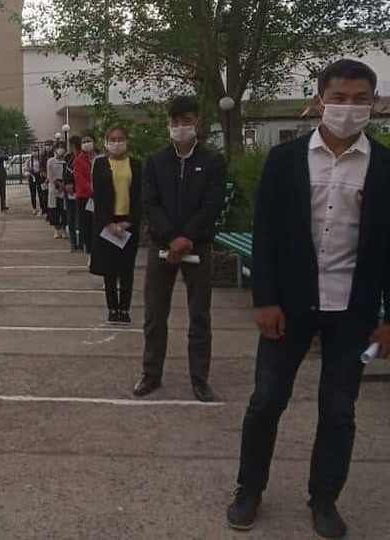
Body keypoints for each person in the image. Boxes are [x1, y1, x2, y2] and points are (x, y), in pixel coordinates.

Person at [227, 59, 390, 539]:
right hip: (288, 308)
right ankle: (249, 490)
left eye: (360, 99)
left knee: (339, 411)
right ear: (320, 100)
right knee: (266, 401)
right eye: (339, 98)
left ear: (375, 104)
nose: (348, 107)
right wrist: (264, 299)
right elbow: (266, 232)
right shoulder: (286, 160)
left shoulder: (384, 166)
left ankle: (324, 500)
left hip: (355, 313)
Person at [134, 95, 227, 402]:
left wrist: (187, 237)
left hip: (198, 246)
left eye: (186, 120)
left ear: (197, 121)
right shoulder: (156, 161)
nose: (180, 126)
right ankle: (151, 375)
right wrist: (171, 236)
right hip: (162, 245)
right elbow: (150, 203)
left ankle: (199, 379)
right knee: (154, 314)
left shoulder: (212, 161)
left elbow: (212, 205)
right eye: (175, 121)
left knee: (199, 315)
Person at [89, 126, 142, 325]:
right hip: (107, 224)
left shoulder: (136, 165)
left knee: (127, 269)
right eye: (113, 139)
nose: (117, 143)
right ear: (106, 141)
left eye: (120, 139)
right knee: (109, 269)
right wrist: (109, 224)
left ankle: (125, 308)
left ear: (127, 141)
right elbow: (98, 197)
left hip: (128, 222)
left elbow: (141, 197)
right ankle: (112, 308)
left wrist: (129, 222)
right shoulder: (100, 164)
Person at [73, 135, 96, 253]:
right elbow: (79, 178)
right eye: (84, 142)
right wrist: (92, 189)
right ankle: (89, 249)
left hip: (100, 196)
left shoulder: (100, 158)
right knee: (86, 224)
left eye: (89, 141)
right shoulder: (78, 160)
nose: (87, 143)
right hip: (84, 196)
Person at [46, 141, 69, 239]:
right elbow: (50, 175)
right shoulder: (51, 161)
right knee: (54, 210)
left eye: (62, 147)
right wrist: (58, 184)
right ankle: (56, 230)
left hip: (65, 187)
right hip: (54, 187)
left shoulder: (67, 160)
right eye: (58, 147)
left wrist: (64, 185)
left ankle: (64, 229)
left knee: (64, 210)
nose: (60, 149)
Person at [24, 145, 47, 216]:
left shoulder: (41, 159)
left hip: (39, 176)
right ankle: (34, 208)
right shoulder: (29, 160)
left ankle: (42, 208)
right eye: (33, 151)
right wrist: (27, 173)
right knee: (32, 193)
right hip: (32, 176)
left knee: (41, 193)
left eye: (36, 151)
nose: (35, 152)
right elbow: (25, 168)